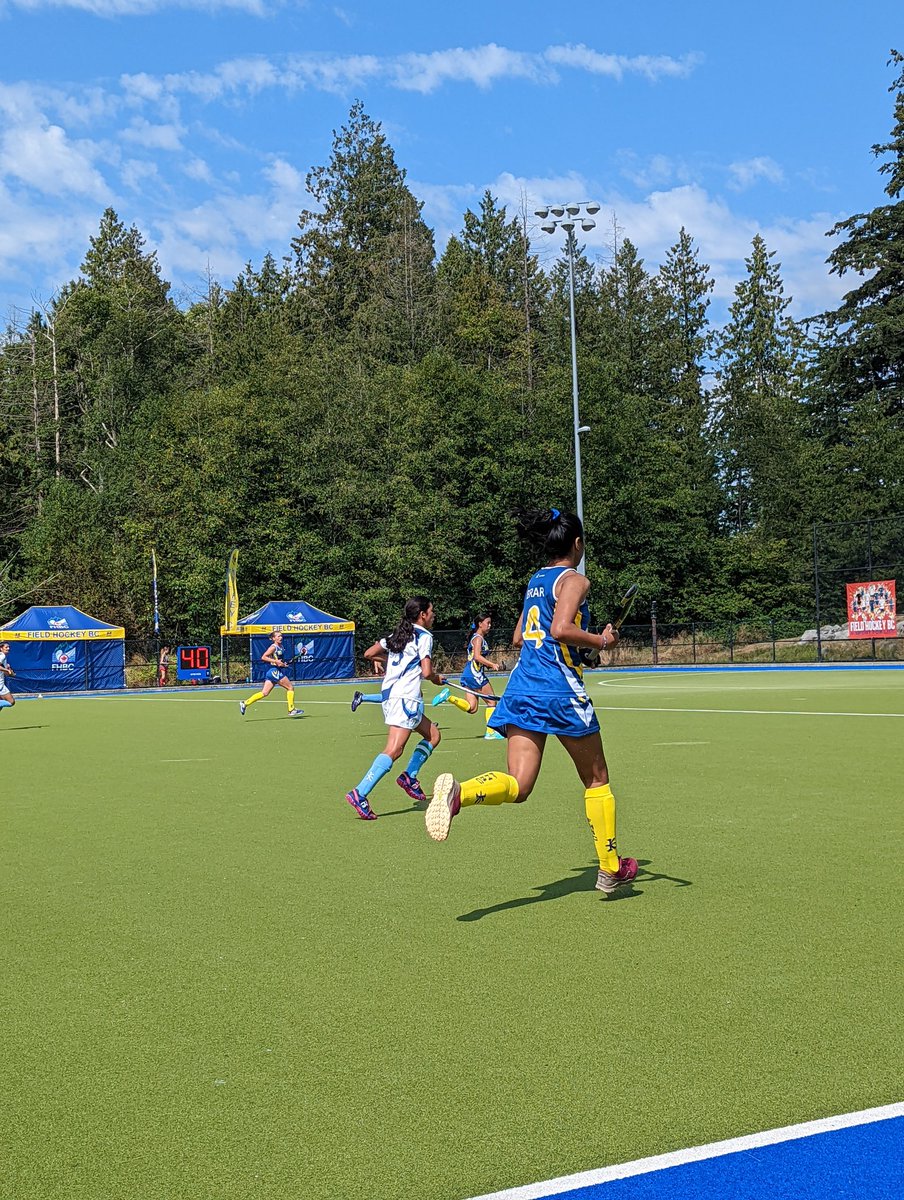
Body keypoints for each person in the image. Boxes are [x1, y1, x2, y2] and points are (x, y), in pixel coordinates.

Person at [424, 508, 638, 896]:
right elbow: (561, 628)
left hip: (523, 687)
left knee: (519, 785)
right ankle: (610, 868)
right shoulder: (575, 580)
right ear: (577, 544)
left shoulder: (536, 580)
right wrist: (602, 641)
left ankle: (460, 793)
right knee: (596, 779)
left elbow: (522, 637)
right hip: (559, 692)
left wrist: (583, 650)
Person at [345, 597, 446, 820]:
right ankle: (360, 792)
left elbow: (369, 653)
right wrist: (437, 678)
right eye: (431, 611)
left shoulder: (397, 635)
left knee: (433, 735)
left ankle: (409, 776)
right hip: (405, 698)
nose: (433, 615)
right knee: (394, 749)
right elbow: (427, 672)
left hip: (392, 696)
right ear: (422, 615)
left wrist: (392, 660)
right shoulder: (424, 636)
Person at [432, 612, 504, 739]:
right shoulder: (478, 638)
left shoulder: (477, 638)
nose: (490, 625)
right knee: (492, 701)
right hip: (475, 675)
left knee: (472, 708)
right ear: (480, 624)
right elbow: (477, 656)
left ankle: (448, 697)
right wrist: (492, 664)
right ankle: (491, 732)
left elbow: (475, 658)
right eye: (487, 623)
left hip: (468, 674)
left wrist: (486, 665)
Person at [239, 631, 303, 718]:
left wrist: (283, 664)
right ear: (273, 638)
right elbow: (264, 657)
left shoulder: (281, 646)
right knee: (290, 687)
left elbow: (278, 660)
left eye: (281, 636)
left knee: (264, 693)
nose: (281, 638)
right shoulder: (273, 647)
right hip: (274, 671)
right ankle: (291, 709)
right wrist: (275, 661)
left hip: (273, 671)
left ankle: (245, 703)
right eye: (278, 636)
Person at [0, 642, 15, 713]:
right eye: (6, 647)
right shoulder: (2, 656)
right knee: (11, 702)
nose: (8, 648)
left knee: (2, 703)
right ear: (1, 648)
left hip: (1, 684)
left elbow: (7, 674)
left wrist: (9, 671)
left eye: (8, 647)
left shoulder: (3, 657)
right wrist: (7, 670)